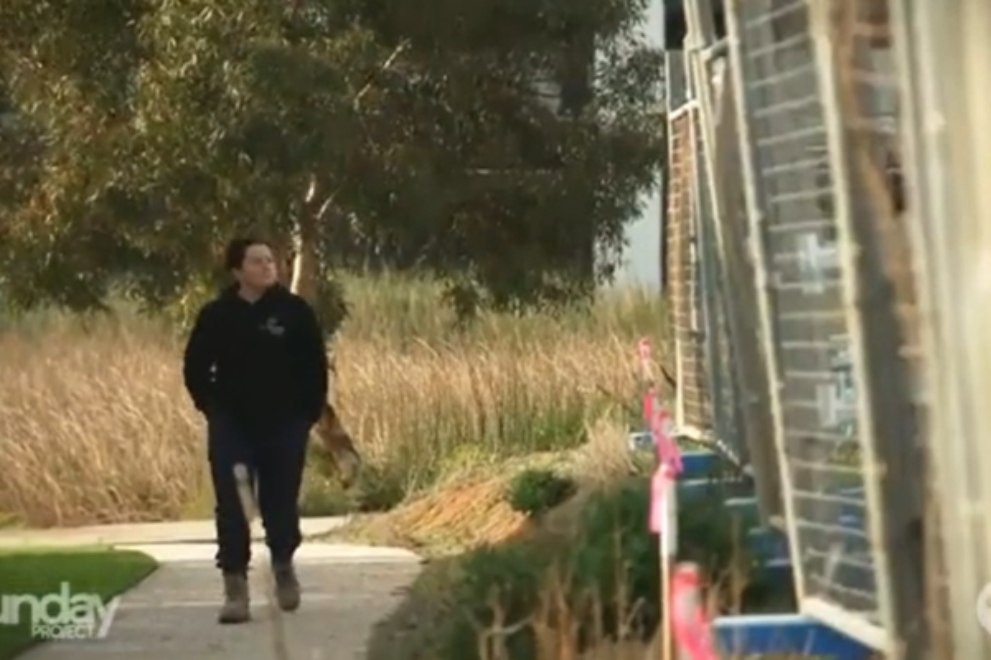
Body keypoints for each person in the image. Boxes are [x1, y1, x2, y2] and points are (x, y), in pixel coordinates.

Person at [182, 237, 329, 624]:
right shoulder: (217, 314)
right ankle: (235, 586)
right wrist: (211, 407)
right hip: (233, 424)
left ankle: (283, 566)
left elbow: (315, 366)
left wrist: (307, 414)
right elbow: (195, 366)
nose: (267, 266)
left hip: (285, 423)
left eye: (270, 260)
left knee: (281, 501)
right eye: (257, 261)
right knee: (232, 503)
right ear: (238, 270)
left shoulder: (293, 312)